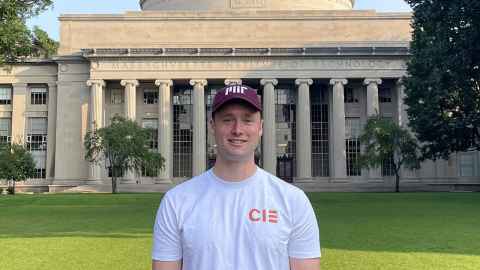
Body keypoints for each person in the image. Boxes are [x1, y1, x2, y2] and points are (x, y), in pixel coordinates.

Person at [152, 84, 321, 270]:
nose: (237, 129)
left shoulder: (293, 201)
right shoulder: (176, 201)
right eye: (227, 120)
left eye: (247, 120)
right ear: (211, 125)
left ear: (261, 127)